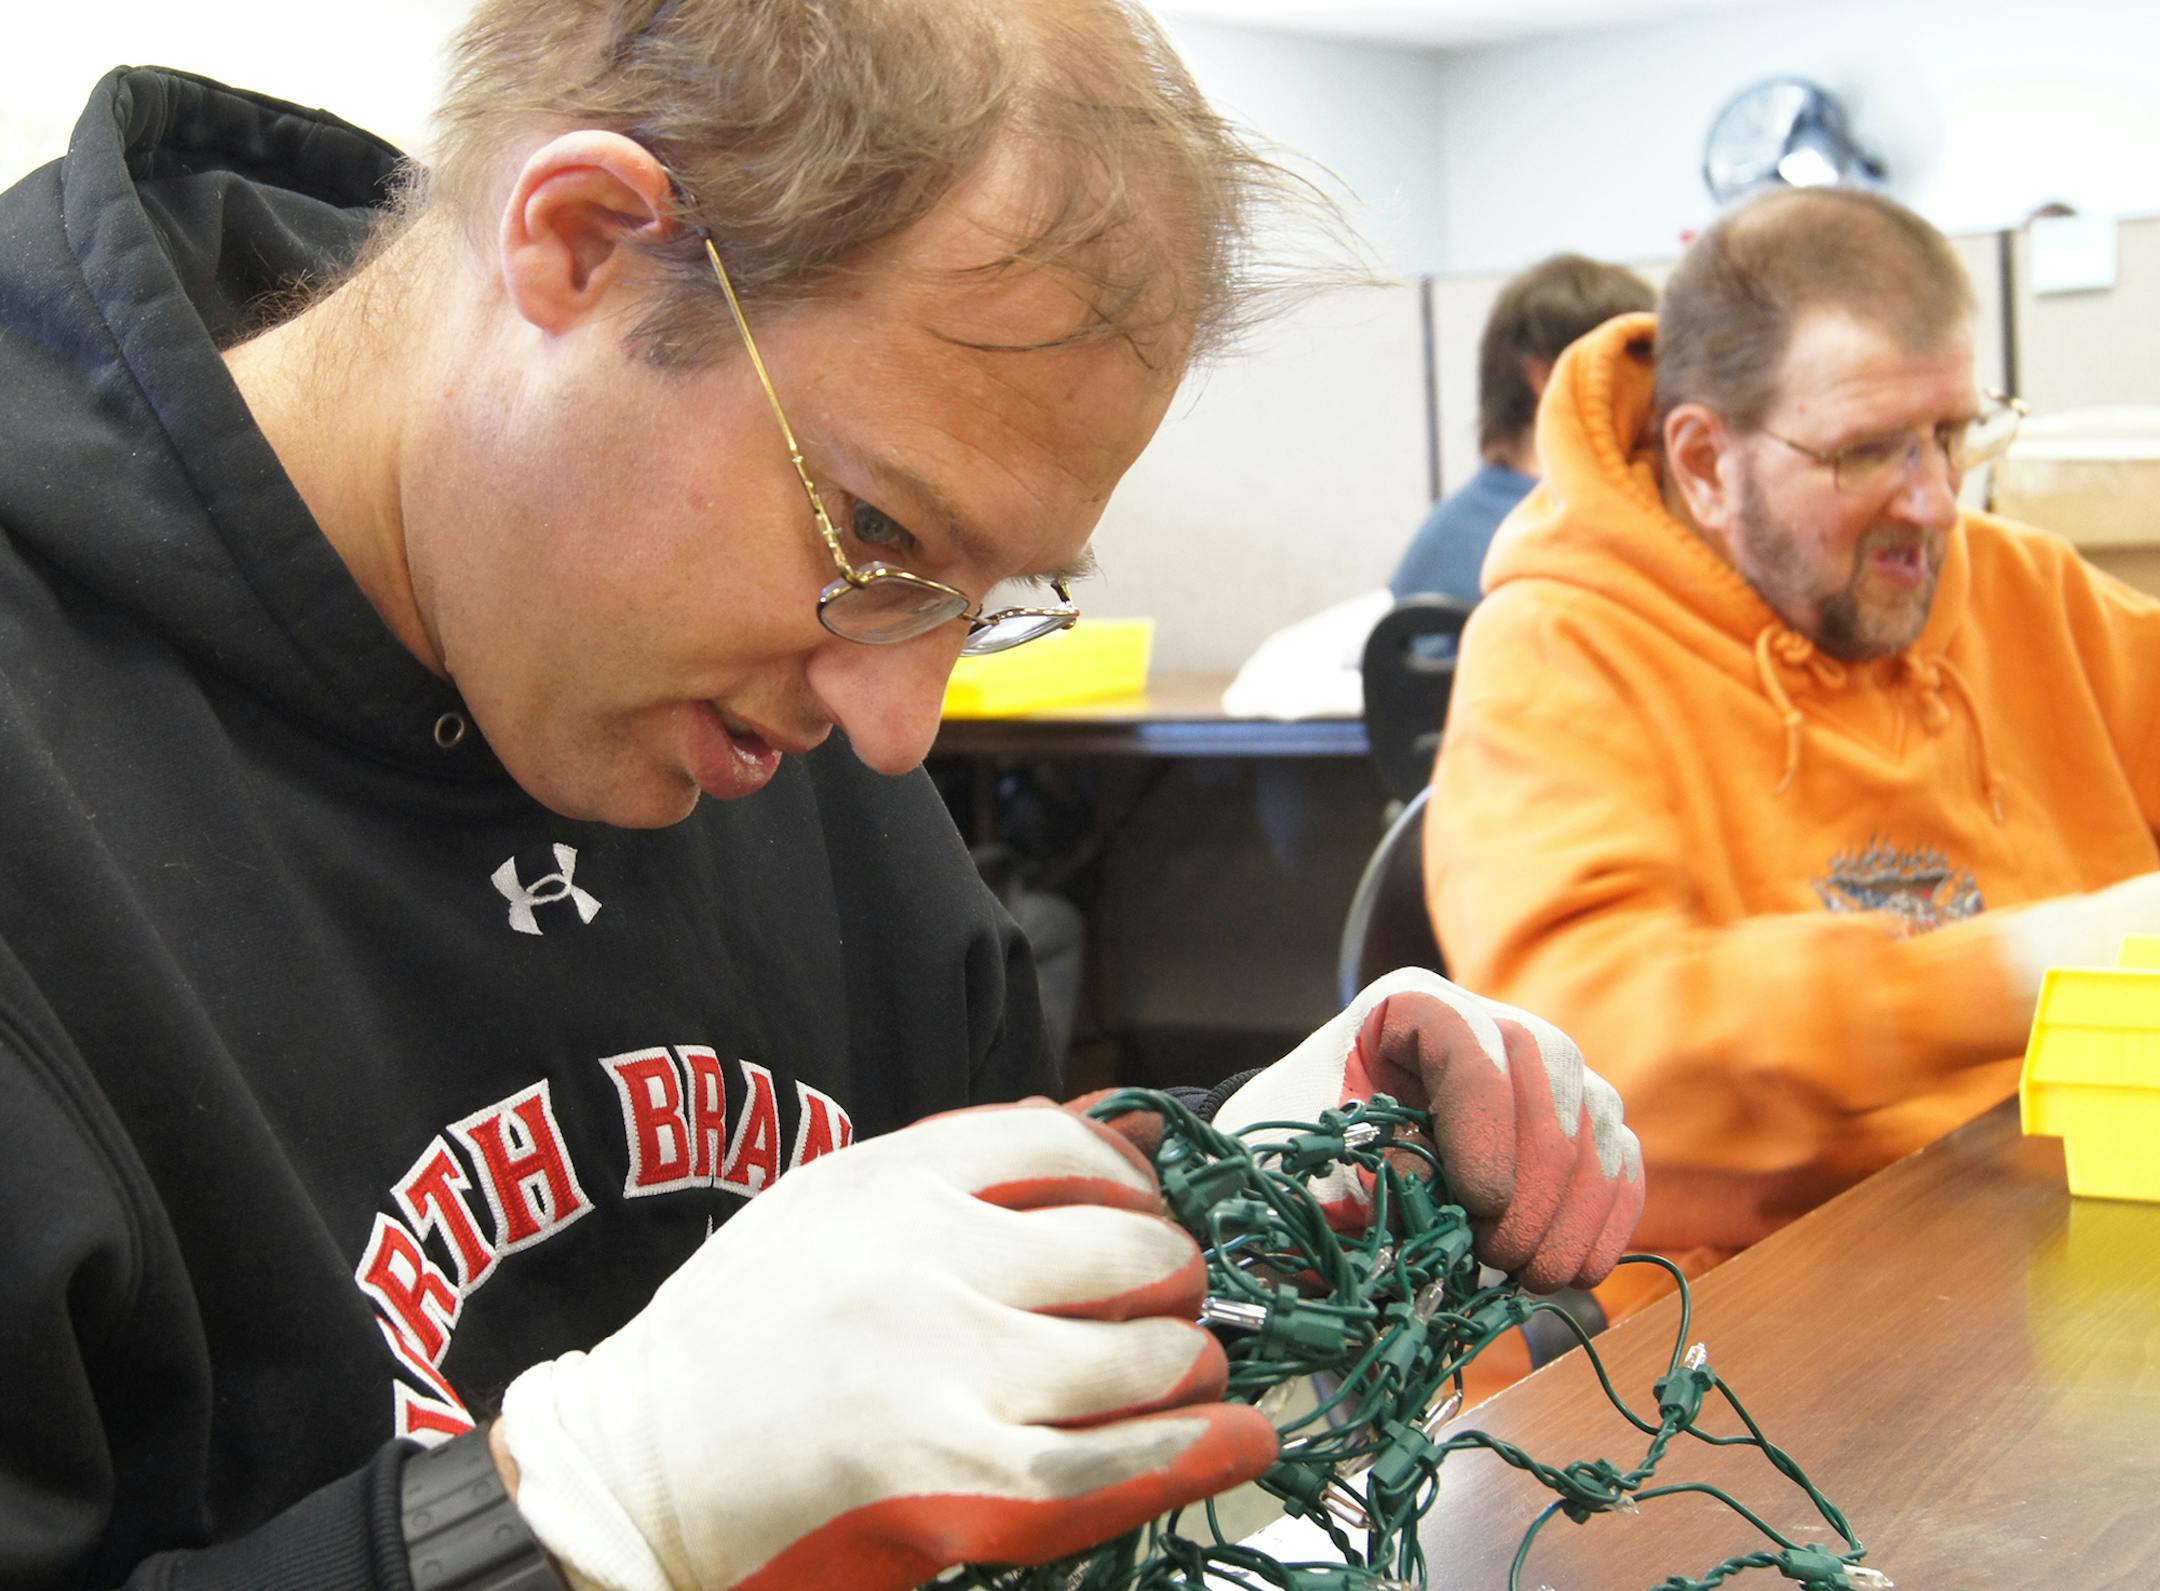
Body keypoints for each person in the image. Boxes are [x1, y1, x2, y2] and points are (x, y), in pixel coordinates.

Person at [0, 5, 1645, 1589]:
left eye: (986, 597)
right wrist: (578, 1514)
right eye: (879, 538)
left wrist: (1227, 1215)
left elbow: (926, 1337)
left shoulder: (766, 708)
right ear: (580, 245)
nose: (896, 724)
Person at [1425, 183, 2160, 1318]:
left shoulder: (2024, 593)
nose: (1934, 502)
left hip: (2061, 1228)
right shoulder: (1556, 655)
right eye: (1869, 451)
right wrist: (2018, 968)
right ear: (1708, 461)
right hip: (1750, 1328)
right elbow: (1592, 1051)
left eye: (1953, 434)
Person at [1388, 253, 1654, 607]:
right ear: (1550, 378)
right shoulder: (1563, 537)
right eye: (1637, 367)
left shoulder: (1451, 530)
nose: (1656, 396)